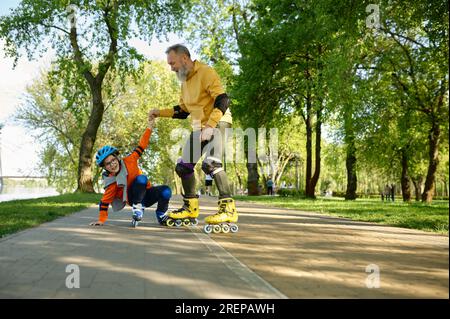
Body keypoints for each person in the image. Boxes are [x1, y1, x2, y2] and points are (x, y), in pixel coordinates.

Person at [148, 44, 238, 233]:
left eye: (172, 63)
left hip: (219, 121)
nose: (171, 67)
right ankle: (190, 208)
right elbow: (182, 111)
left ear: (185, 59)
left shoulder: (206, 72)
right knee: (183, 167)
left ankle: (228, 208)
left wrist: (210, 126)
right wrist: (159, 112)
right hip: (199, 127)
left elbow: (223, 100)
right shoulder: (184, 82)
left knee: (211, 164)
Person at [90, 116, 172, 227]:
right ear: (105, 168)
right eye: (108, 164)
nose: (112, 164)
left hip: (146, 194)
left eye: (113, 160)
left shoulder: (130, 160)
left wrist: (149, 128)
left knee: (166, 190)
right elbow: (104, 202)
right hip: (133, 198)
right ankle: (137, 206)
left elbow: (142, 145)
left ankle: (161, 214)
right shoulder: (112, 183)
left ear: (117, 158)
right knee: (141, 179)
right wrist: (101, 220)